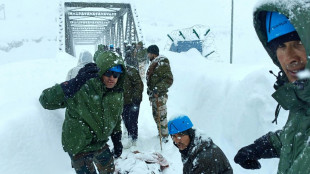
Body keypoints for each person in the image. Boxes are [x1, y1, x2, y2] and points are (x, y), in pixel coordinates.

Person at [234, 2, 310, 173]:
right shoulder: (303, 98)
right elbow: (299, 135)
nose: (289, 57)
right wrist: (261, 147)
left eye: (298, 42)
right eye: (281, 46)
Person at [39, 51, 126, 174]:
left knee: (109, 169)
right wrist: (73, 84)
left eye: (116, 74)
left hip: (99, 142)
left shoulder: (117, 93)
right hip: (79, 144)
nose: (112, 78)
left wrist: (117, 140)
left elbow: (115, 117)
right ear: (101, 71)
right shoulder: (82, 87)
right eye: (108, 73)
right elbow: (45, 101)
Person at [168, 115, 233, 174]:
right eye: (173, 136)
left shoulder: (204, 157)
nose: (176, 141)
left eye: (180, 136)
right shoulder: (188, 147)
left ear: (189, 134)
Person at [146, 45, 173, 143]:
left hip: (160, 95)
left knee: (161, 116)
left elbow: (169, 79)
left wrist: (157, 89)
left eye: (149, 53)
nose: (148, 55)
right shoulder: (155, 62)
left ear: (153, 53)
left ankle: (165, 137)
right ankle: (161, 133)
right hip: (154, 95)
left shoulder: (162, 63)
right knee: (156, 115)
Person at [122, 55, 144, 148]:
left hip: (133, 101)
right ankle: (130, 136)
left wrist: (135, 99)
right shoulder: (117, 73)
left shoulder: (131, 71)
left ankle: (134, 139)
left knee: (133, 121)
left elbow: (139, 85)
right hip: (123, 102)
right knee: (126, 120)